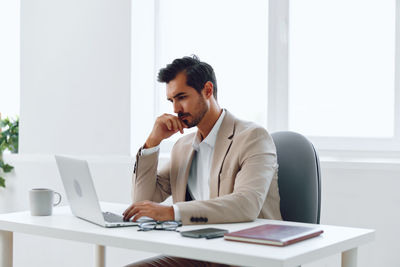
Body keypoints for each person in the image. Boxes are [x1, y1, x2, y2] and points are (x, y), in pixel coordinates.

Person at [123, 55, 282, 267]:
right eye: (172, 101)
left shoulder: (252, 137)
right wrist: (153, 142)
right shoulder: (183, 146)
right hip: (200, 252)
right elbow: (142, 200)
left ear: (207, 90)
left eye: (182, 97)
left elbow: (246, 205)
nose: (176, 109)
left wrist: (172, 212)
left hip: (246, 254)